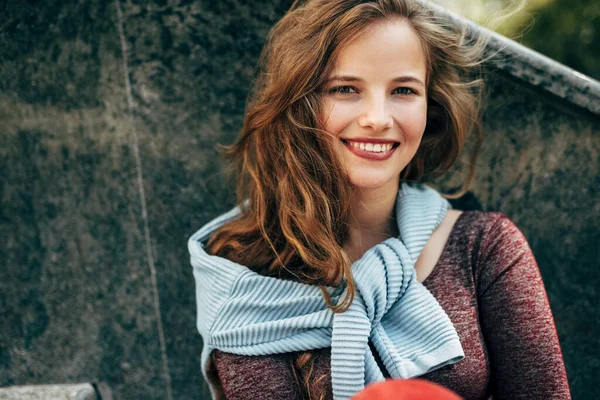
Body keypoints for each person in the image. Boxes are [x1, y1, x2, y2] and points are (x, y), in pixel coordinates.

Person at [188, 0, 571, 399]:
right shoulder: (243, 274)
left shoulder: (484, 248)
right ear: (300, 101)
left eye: (403, 90)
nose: (377, 117)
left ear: (431, 106)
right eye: (345, 89)